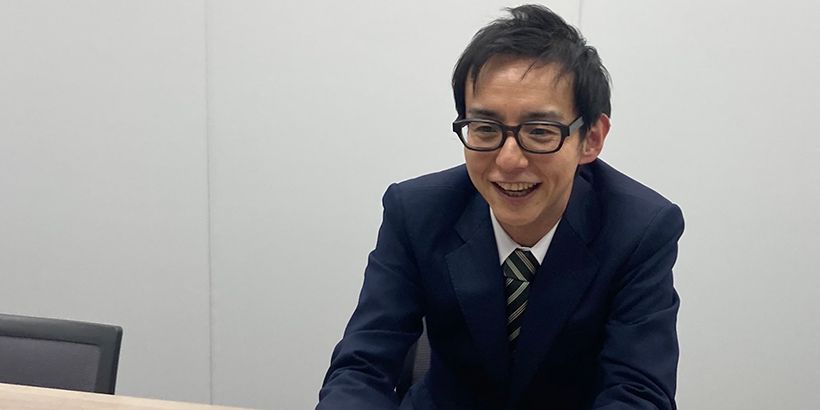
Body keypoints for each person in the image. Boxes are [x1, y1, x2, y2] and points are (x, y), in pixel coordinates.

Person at [317, 5, 683, 410]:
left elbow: (637, 392)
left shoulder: (639, 229)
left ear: (591, 138)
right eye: (486, 129)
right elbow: (362, 366)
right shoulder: (417, 212)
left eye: (540, 131)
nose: (508, 160)